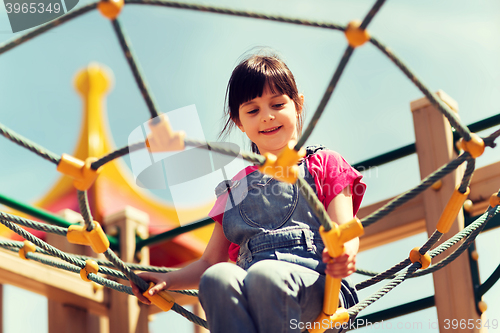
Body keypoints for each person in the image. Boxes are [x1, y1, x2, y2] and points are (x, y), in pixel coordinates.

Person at [131, 52, 366, 333]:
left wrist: (346, 254)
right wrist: (167, 280)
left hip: (318, 289)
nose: (267, 116)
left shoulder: (324, 163)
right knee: (218, 277)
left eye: (277, 104)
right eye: (252, 111)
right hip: (256, 293)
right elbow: (210, 261)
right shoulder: (235, 188)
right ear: (239, 121)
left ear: (298, 105)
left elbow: (344, 231)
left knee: (266, 274)